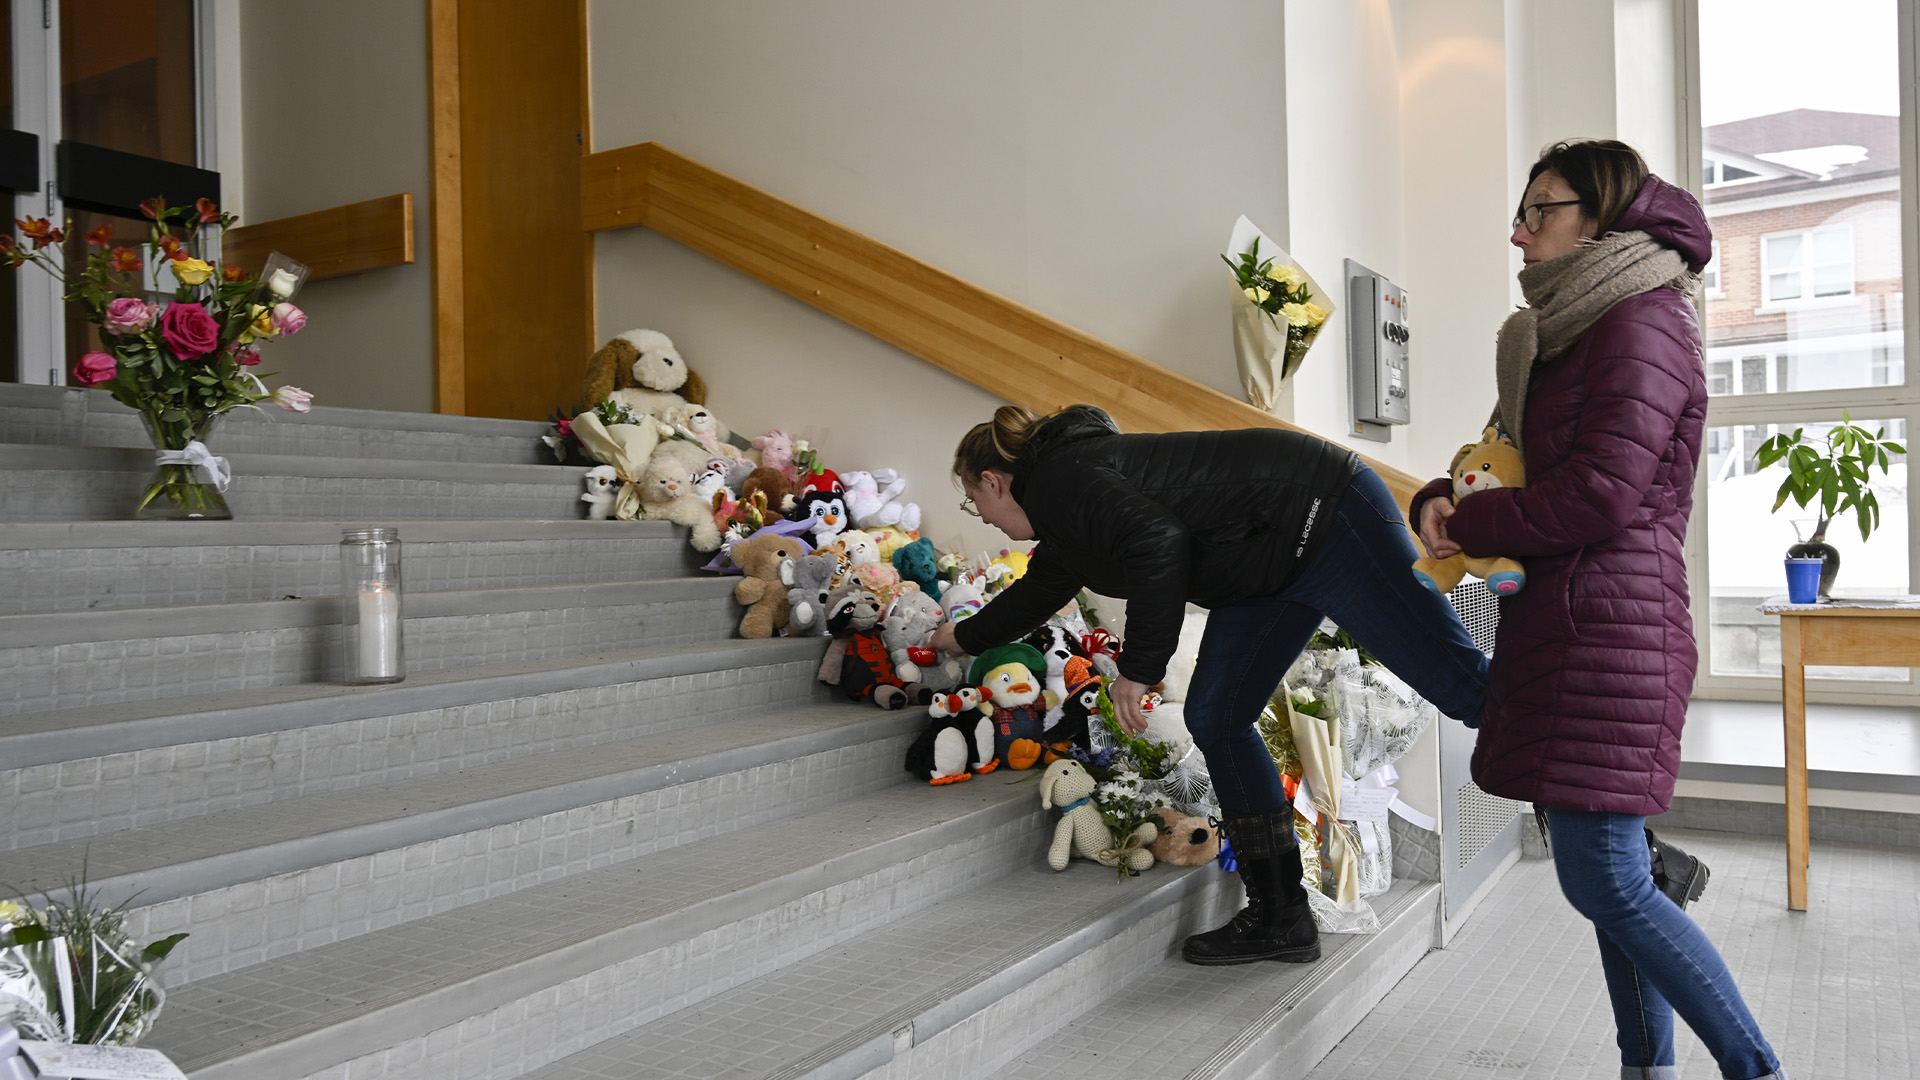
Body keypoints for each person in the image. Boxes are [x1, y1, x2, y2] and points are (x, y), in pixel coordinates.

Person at [1413, 139, 1786, 1080]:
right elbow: (1517, 463)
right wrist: (1443, 499)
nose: (1518, 231)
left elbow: (1602, 494)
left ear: (1602, 215)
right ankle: (1646, 1066)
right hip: (1580, 622)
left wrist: (1482, 516)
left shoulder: (1641, 322)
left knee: (1607, 877)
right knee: (1610, 875)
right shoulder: (1573, 329)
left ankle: (1756, 1068)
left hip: (1613, 625)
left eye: (1540, 210)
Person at [929, 403, 1490, 966]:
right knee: (1217, 717)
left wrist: (1139, 669)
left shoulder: (1060, 482)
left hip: (1326, 514)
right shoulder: (1067, 508)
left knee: (1463, 686)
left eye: (972, 499)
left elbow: (1158, 540)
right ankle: (1281, 916)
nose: (979, 514)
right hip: (1270, 561)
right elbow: (1039, 590)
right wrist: (964, 637)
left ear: (993, 480)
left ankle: (1571, 758)